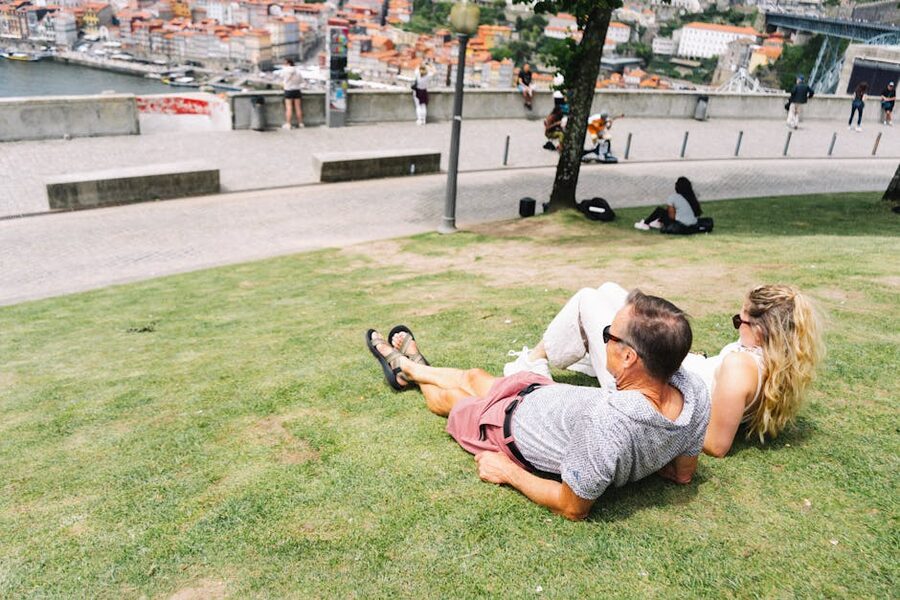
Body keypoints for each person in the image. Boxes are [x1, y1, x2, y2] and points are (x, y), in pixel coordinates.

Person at [365, 291, 710, 521]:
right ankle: (412, 366)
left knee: (454, 401)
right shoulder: (693, 392)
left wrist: (508, 472)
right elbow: (682, 473)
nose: (603, 339)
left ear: (629, 356)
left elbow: (572, 506)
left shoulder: (610, 423)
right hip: (545, 395)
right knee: (473, 375)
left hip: (509, 428)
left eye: (608, 335)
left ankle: (407, 373)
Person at [504, 283, 824, 458]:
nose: (737, 325)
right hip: (670, 370)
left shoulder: (742, 368)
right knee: (613, 292)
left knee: (588, 299)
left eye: (740, 321)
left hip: (647, 387)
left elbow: (715, 444)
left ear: (763, 329)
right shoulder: (770, 360)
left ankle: (531, 365)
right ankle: (581, 353)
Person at [634, 176, 701, 233]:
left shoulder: (675, 197)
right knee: (667, 211)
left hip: (680, 225)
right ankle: (658, 221)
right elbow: (697, 213)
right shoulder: (692, 197)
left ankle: (646, 223)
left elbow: (672, 216)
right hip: (692, 224)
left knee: (660, 210)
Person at [281, 58, 304, 130]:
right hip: (297, 90)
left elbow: (281, 77)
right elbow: (301, 81)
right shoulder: (298, 71)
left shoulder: (285, 70)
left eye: (284, 63)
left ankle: (288, 124)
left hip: (288, 90)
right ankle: (300, 123)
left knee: (289, 108)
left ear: (287, 63)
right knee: (298, 107)